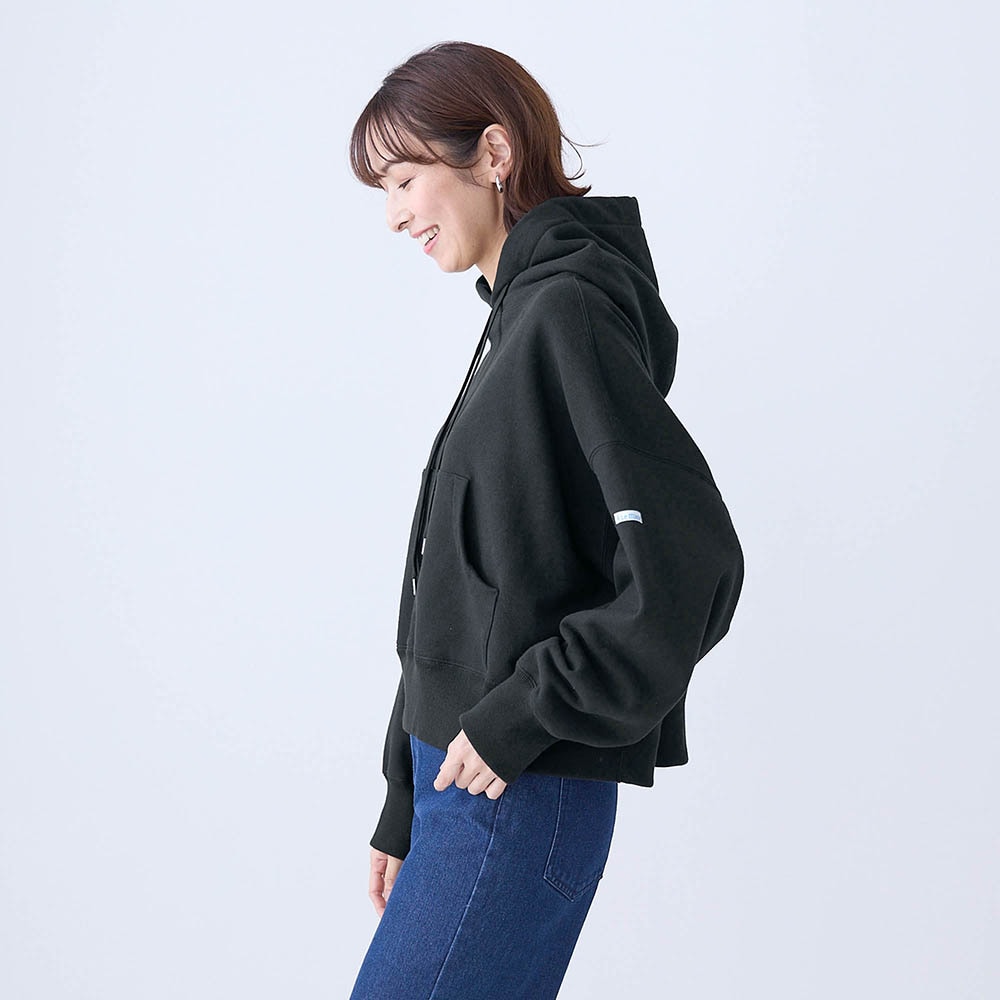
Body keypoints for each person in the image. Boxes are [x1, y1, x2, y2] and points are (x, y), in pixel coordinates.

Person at [346, 40, 745, 1000]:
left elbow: (689, 564)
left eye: (404, 180)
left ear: (493, 153)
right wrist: (405, 797)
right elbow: (461, 580)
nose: (393, 214)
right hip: (463, 787)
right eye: (384, 191)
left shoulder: (567, 310)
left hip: (514, 793)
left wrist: (521, 716)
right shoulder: (516, 317)